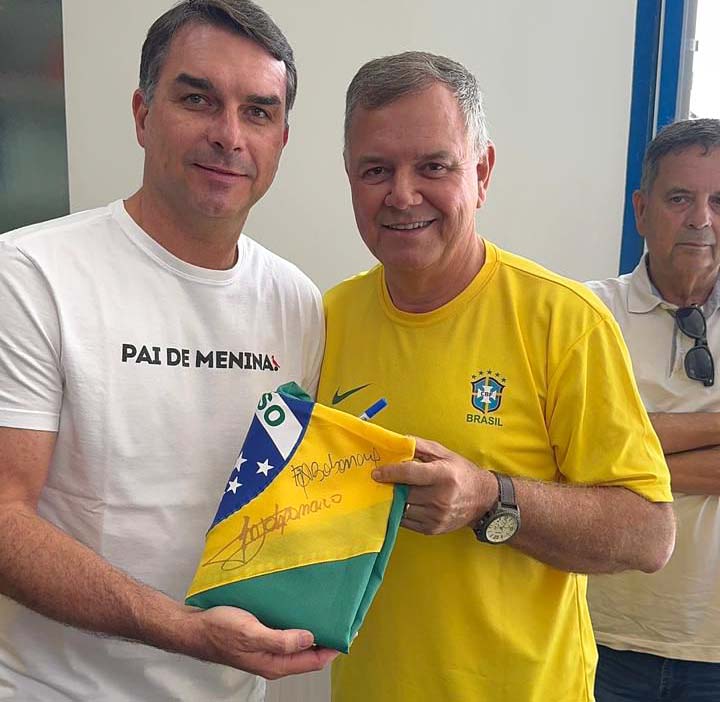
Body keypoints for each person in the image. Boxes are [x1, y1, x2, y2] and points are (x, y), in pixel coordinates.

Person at [0, 1, 335, 700]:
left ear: (281, 139)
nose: (228, 136)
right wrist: (185, 629)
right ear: (142, 113)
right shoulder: (30, 276)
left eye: (258, 112)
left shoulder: (298, 302)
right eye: (197, 99)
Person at [317, 51, 676, 702]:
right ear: (349, 177)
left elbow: (650, 534)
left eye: (434, 166)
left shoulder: (564, 321)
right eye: (376, 170)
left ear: (481, 173)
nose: (403, 194)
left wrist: (490, 498)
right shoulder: (325, 319)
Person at [587, 118, 720, 702]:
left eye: (719, 201)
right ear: (641, 211)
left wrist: (621, 463)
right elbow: (568, 454)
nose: (701, 220)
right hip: (600, 636)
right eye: (680, 198)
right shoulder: (585, 314)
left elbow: (599, 456)